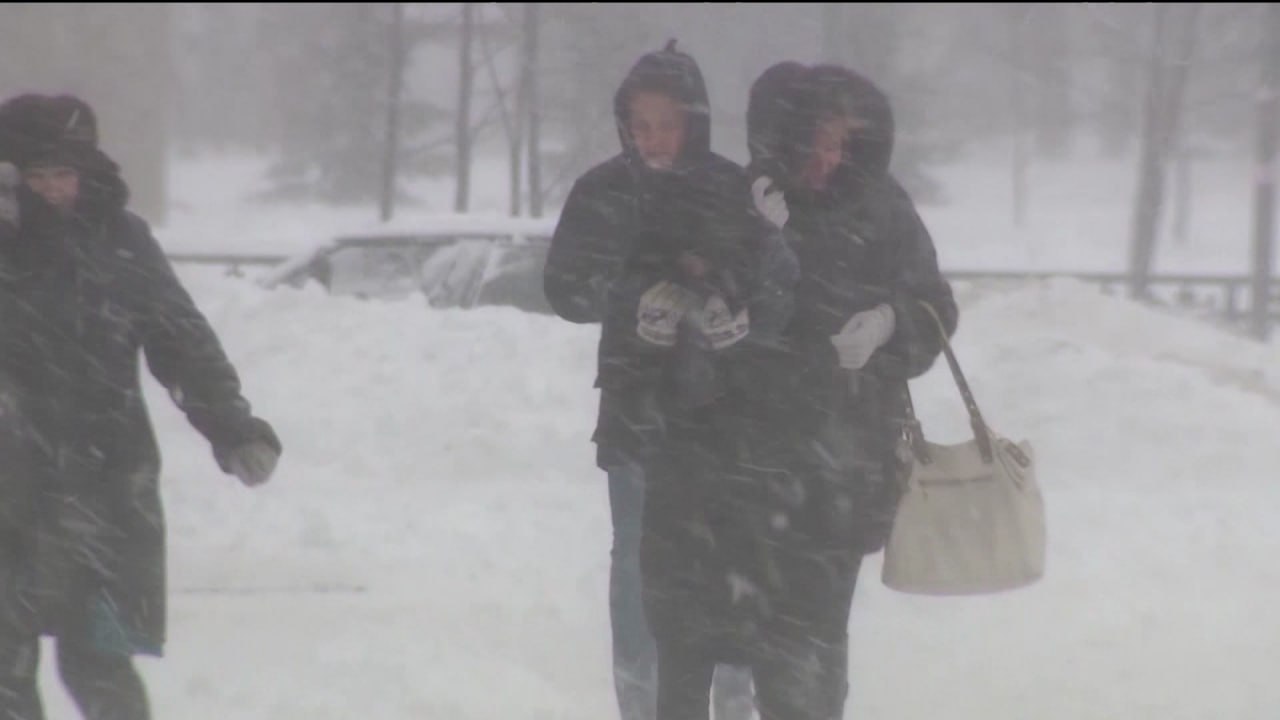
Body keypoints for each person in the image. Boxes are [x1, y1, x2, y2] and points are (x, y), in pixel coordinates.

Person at [0, 93, 282, 720]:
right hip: (6, 492)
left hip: (101, 486)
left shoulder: (118, 243)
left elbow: (180, 339)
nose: (52, 191)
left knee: (101, 667)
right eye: (36, 176)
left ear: (86, 173)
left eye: (64, 175)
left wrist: (232, 427)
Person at [543, 40, 795, 720]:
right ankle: (643, 697)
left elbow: (776, 288)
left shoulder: (729, 188)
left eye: (666, 123)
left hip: (724, 413)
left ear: (696, 121)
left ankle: (735, 696)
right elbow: (564, 285)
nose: (652, 139)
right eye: (640, 124)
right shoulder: (603, 191)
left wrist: (741, 319)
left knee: (732, 559)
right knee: (638, 568)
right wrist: (629, 304)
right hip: (638, 410)